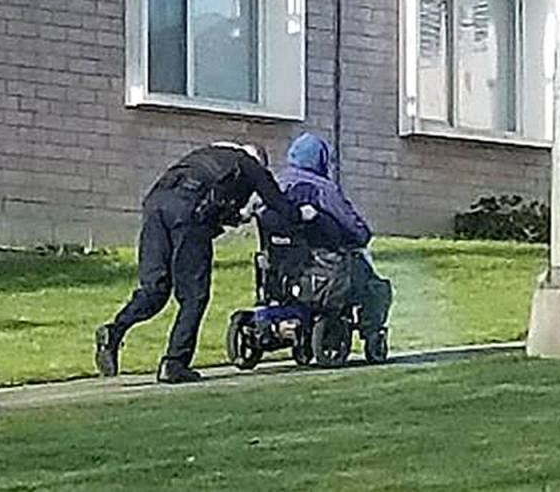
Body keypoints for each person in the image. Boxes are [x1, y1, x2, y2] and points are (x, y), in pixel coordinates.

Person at [95, 142, 314, 384]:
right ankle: (174, 363)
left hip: (155, 206)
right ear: (259, 160)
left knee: (154, 289)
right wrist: (301, 215)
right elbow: (276, 202)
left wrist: (235, 217)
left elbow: (210, 198)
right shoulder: (250, 165)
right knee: (194, 296)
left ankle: (113, 331)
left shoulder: (204, 156)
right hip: (188, 218)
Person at [278, 132, 392, 362]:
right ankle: (373, 334)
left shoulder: (277, 185)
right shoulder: (324, 189)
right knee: (377, 289)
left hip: (285, 268)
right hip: (328, 265)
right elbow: (356, 230)